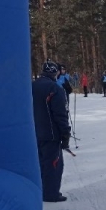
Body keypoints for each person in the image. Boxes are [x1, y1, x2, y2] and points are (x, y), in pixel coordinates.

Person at [32, 60, 71, 202]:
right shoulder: (54, 88)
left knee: (39, 163)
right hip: (51, 134)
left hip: (33, 133)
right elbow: (60, 114)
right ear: (56, 72)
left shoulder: (31, 86)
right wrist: (65, 133)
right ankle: (50, 193)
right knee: (53, 164)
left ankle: (39, 190)